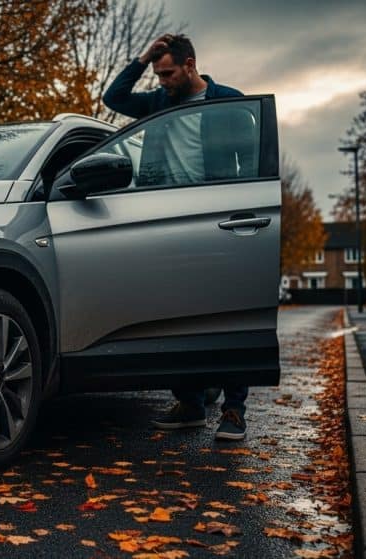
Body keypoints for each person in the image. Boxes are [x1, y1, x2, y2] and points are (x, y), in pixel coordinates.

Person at [102, 33, 249, 441]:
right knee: (174, 319)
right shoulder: (157, 104)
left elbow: (248, 163)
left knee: (229, 318)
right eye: (157, 73)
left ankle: (234, 410)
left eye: (167, 73)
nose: (162, 80)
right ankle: (190, 403)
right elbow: (113, 98)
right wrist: (143, 57)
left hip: (217, 222)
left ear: (190, 64)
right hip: (170, 222)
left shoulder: (228, 102)